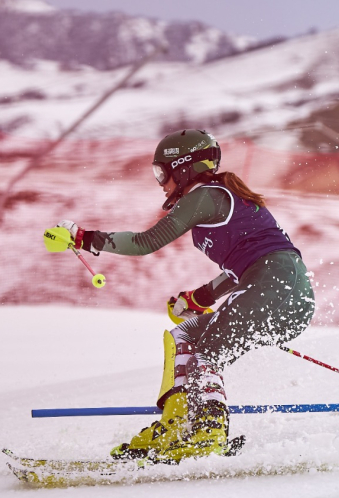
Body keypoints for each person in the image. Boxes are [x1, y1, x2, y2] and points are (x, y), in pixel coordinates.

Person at [54, 129, 314, 463]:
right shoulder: (216, 199)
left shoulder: (206, 196)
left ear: (183, 167)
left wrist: (85, 238)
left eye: (162, 172)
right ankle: (176, 423)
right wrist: (200, 298)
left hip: (276, 284)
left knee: (206, 353)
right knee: (184, 334)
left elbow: (145, 242)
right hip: (279, 287)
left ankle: (209, 430)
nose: (160, 182)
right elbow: (240, 267)